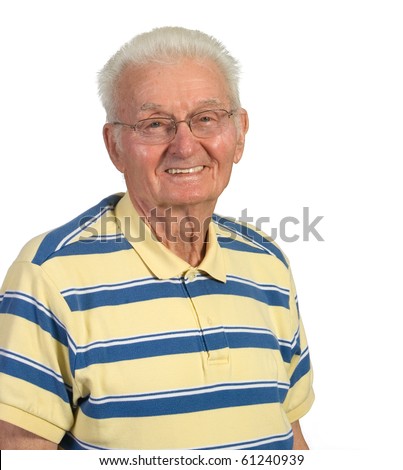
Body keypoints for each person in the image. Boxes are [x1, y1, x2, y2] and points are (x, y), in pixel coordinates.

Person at [0, 26, 314, 450]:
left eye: (206, 118)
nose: (185, 146)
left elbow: (290, 439)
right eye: (154, 124)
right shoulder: (48, 277)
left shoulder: (269, 265)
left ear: (239, 132)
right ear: (115, 146)